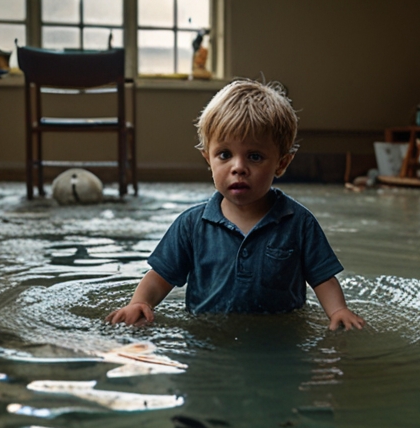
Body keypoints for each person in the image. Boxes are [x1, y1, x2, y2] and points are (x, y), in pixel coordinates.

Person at [106, 79, 365, 331]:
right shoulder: (192, 225)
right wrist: (139, 302)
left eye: (255, 156)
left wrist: (338, 311)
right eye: (225, 154)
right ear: (208, 159)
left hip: (278, 337)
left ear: (282, 163)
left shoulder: (298, 222)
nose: (238, 167)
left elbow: (322, 277)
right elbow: (160, 276)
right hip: (206, 338)